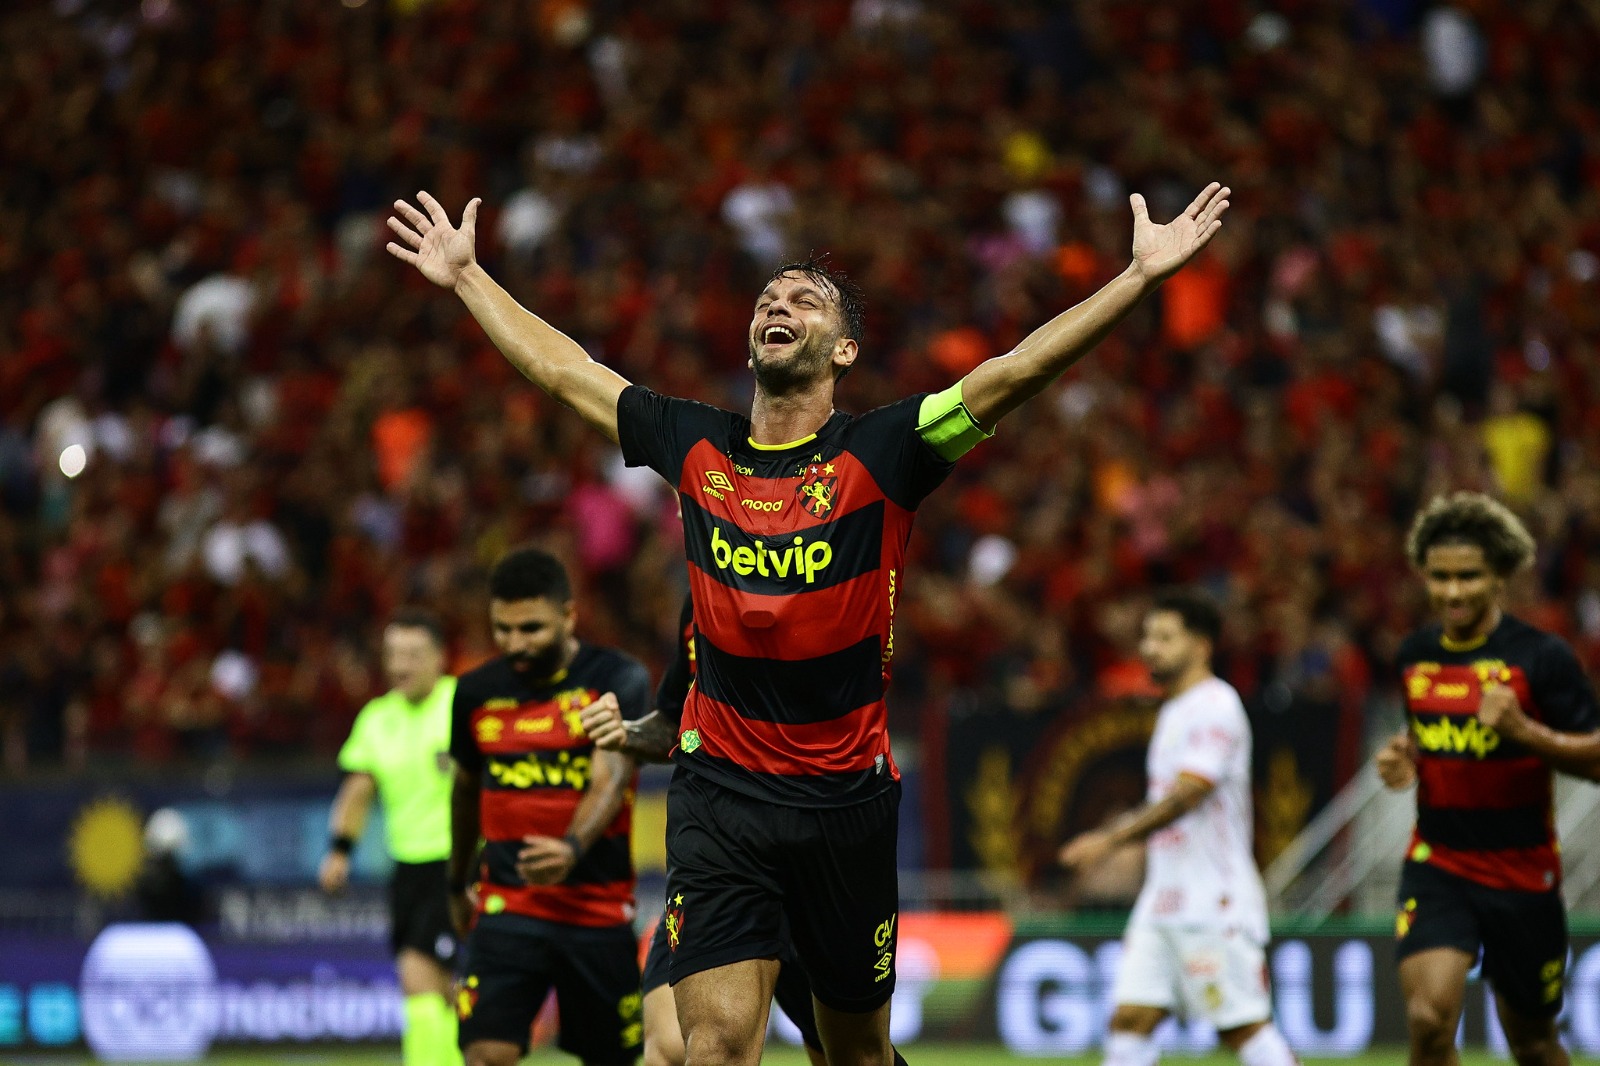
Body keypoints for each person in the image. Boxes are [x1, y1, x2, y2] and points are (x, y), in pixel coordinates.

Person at [387, 177, 1229, 1066]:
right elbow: (564, 370)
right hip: (722, 798)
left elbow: (1016, 371)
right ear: (753, 343)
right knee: (713, 1048)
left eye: (805, 299)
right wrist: (470, 278)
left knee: (856, 1055)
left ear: (845, 350)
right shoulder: (695, 445)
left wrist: (1136, 279)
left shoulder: (888, 450)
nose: (777, 306)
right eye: (767, 299)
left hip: (845, 805)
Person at [1374, 492, 1600, 1066]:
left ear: (1500, 575)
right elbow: (1428, 741)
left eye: (1469, 576)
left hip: (1522, 872)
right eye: (1440, 576)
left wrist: (1527, 734)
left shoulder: (1542, 658)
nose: (1453, 591)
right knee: (1428, 1020)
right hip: (1439, 863)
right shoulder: (1415, 655)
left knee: (1532, 1043)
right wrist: (1407, 760)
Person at [581, 593, 829, 1066]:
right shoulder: (698, 605)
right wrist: (627, 734)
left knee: (844, 1050)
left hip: (805, 847)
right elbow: (675, 722)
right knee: (673, 1049)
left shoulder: (816, 579)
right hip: (713, 850)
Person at [1058, 590, 1298, 1066]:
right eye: (1147, 636)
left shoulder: (1217, 705)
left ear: (1202, 646)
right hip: (1163, 899)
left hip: (1213, 898)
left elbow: (1189, 793)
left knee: (1242, 1026)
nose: (1150, 647)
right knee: (1130, 1019)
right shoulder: (1172, 710)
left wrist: (1110, 840)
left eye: (1166, 637)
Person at [448, 546, 652, 1066]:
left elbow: (612, 775)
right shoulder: (474, 692)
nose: (515, 644)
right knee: (486, 1053)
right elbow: (467, 790)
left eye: (531, 629)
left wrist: (571, 847)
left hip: (597, 908)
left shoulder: (617, 678)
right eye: (503, 629)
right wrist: (455, 881)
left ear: (569, 616)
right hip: (506, 906)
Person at [321, 608, 462, 1066]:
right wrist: (340, 851)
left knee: (437, 983)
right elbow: (357, 789)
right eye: (393, 654)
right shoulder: (376, 718)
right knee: (422, 985)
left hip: (463, 864)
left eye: (413, 654)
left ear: (440, 658)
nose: (401, 665)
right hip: (409, 870)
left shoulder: (465, 704)